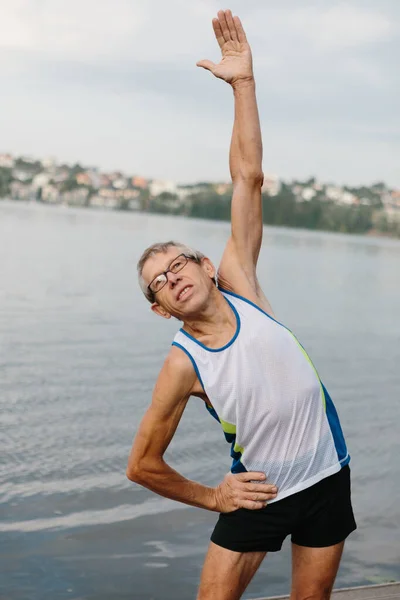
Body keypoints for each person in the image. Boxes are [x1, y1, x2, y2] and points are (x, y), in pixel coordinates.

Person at [126, 10, 356, 600]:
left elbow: (247, 177)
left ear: (206, 265)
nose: (171, 278)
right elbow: (143, 464)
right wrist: (212, 496)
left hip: (328, 475)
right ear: (161, 310)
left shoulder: (242, 283)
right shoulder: (184, 363)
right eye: (158, 282)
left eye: (178, 263)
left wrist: (243, 84)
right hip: (259, 493)